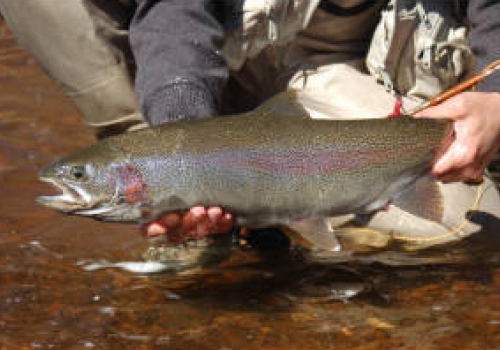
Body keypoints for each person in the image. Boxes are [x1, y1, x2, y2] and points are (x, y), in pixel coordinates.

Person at [1, 0, 499, 251]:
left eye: (82, 178)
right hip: (246, 47)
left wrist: (497, 105)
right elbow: (174, 10)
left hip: (382, 77)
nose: (72, 183)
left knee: (467, 233)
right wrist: (181, 125)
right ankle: (185, 223)